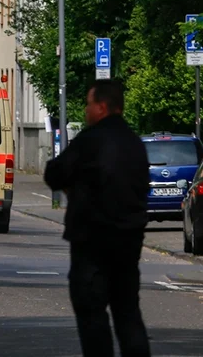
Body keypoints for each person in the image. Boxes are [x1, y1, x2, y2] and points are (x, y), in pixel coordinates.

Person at [44, 80, 151, 357]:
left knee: (92, 313)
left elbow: (54, 174)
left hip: (91, 243)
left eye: (88, 104)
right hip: (128, 242)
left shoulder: (90, 140)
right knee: (127, 313)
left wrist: (75, 184)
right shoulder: (135, 144)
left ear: (101, 107)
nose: (86, 109)